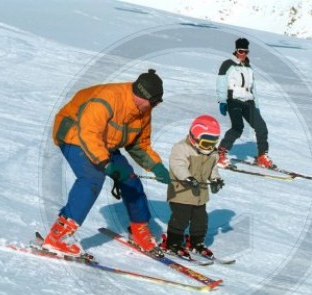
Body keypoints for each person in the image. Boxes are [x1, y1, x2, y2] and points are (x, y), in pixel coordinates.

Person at [42, 69, 171, 258]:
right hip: (75, 134)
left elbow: (139, 145)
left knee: (130, 179)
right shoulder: (108, 99)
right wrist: (105, 164)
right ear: (141, 96)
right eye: (154, 101)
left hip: (106, 143)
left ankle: (139, 228)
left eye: (159, 101)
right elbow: (88, 133)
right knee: (92, 177)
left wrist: (157, 167)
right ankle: (58, 237)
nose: (157, 105)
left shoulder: (144, 111)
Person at [161, 115, 225, 259]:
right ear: (195, 138)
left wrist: (216, 179)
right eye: (205, 143)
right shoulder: (182, 148)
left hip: (200, 194)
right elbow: (178, 165)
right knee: (181, 217)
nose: (209, 148)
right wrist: (187, 178)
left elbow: (213, 169)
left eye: (213, 143)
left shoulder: (212, 153)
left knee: (201, 219)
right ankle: (173, 242)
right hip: (181, 191)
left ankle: (196, 242)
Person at [216, 37, 276, 169]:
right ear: (236, 50)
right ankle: (220, 153)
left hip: (248, 101)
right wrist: (222, 100)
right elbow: (221, 82)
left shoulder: (249, 67)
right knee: (238, 128)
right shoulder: (228, 64)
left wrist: (257, 106)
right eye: (241, 51)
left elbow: (253, 88)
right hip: (234, 101)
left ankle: (261, 156)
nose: (243, 54)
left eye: (246, 51)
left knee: (261, 127)